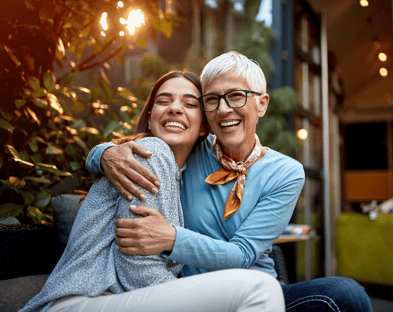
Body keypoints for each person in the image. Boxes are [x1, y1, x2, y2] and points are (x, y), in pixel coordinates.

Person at [87, 51, 373, 311]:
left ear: (261, 104)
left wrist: (171, 238)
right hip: (191, 295)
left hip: (257, 294)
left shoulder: (286, 172)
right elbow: (144, 147)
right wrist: (103, 153)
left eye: (236, 96)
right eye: (212, 100)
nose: (223, 110)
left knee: (345, 294)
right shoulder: (191, 150)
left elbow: (244, 253)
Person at [21, 70, 285, 312]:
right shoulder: (151, 152)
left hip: (118, 299)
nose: (175, 109)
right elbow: (138, 271)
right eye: (163, 101)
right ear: (149, 115)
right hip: (85, 301)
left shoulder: (182, 175)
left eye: (190, 104)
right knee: (260, 289)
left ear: (205, 125)